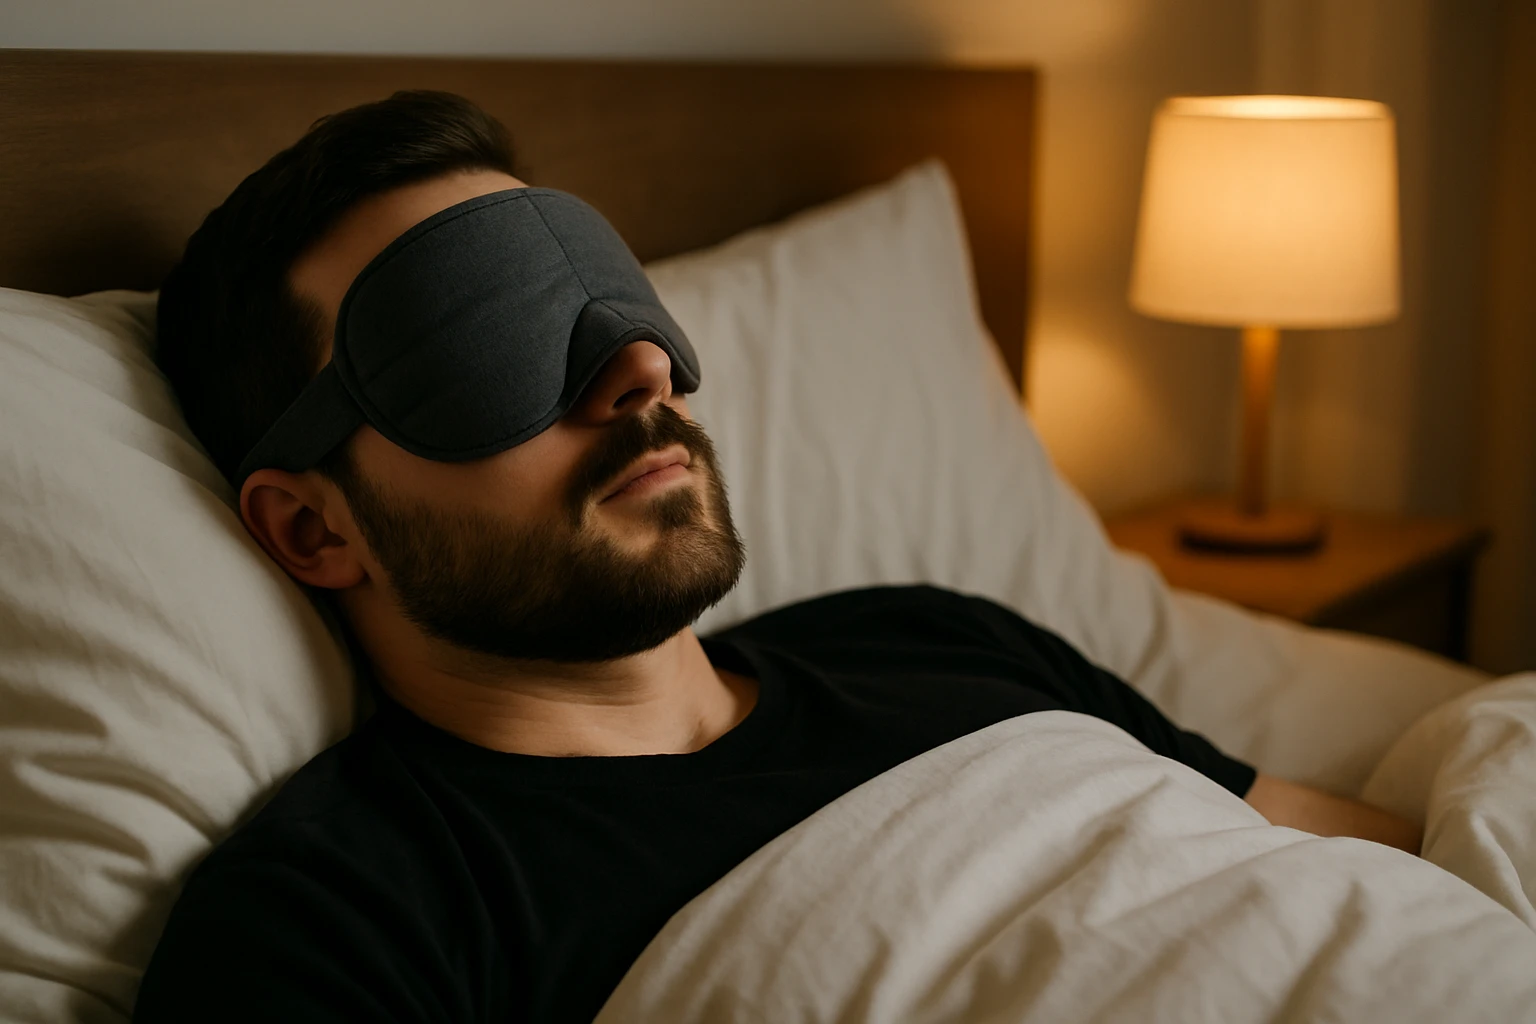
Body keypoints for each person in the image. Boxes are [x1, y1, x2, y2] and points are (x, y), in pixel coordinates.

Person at [133, 91, 1421, 1024]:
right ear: (314, 527)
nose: (640, 368)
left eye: (606, 293)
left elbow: (1372, 866)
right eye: (483, 341)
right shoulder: (350, 917)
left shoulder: (937, 637)